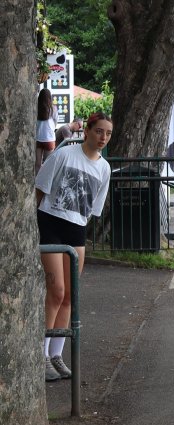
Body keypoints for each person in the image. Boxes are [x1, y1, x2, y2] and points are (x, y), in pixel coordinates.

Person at [35, 112, 113, 381]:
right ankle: (41, 355)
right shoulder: (64, 154)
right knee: (55, 291)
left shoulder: (104, 168)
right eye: (99, 131)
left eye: (108, 133)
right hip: (51, 223)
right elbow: (40, 188)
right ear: (87, 131)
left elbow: (93, 209)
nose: (103, 138)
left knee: (70, 295)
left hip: (76, 227)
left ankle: (56, 354)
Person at [35, 89, 58, 174]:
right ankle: (45, 185)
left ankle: (36, 183)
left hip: (39, 138)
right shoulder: (53, 108)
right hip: (50, 139)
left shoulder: (36, 108)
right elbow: (55, 121)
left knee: (37, 164)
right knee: (48, 164)